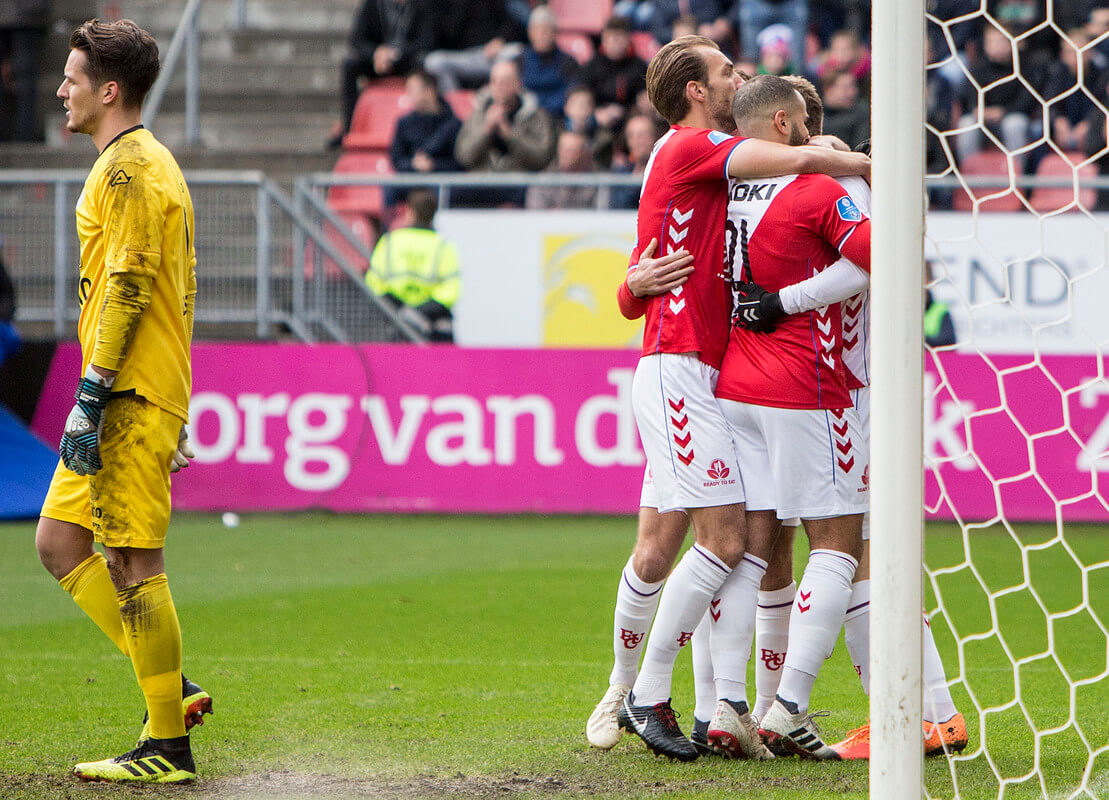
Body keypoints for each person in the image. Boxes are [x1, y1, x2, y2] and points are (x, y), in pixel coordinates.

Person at [584, 35, 870, 763]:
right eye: (723, 71)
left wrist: (629, 288)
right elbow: (800, 158)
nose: (736, 75)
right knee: (698, 543)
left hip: (720, 375)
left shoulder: (715, 166)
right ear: (695, 92)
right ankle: (634, 692)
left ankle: (722, 705)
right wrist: (858, 160)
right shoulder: (688, 147)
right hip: (678, 369)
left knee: (744, 544)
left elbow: (649, 256)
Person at [36, 18, 207, 783]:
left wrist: (94, 392)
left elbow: (133, 285)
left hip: (127, 392)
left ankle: (167, 747)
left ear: (109, 90)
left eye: (72, 77)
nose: (61, 89)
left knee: (133, 558)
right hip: (139, 386)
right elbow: (179, 290)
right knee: (59, 542)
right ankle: (171, 685)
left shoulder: (130, 170)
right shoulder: (139, 163)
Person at [713, 74, 872, 760]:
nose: (813, 132)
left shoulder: (722, 188)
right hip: (803, 382)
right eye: (805, 119)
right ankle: (788, 705)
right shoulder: (813, 186)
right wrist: (788, 300)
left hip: (733, 383)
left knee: (755, 547)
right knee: (838, 540)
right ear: (782, 124)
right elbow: (875, 260)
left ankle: (725, 702)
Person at [328, 0, 436, 149]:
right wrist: (376, 53)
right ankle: (349, 126)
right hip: (378, 62)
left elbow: (427, 41)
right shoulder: (373, 5)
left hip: (407, 61)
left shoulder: (422, 6)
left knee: (430, 64)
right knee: (350, 65)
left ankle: (431, 125)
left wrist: (396, 55)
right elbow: (356, 40)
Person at [454, 59, 556, 206]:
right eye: (495, 81)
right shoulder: (477, 115)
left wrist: (510, 135)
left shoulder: (537, 116)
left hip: (520, 185)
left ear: (518, 84)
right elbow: (464, 156)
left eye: (506, 81)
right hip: (481, 184)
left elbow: (541, 158)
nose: (499, 87)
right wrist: (486, 129)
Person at [365, 189, 459, 342]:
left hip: (394, 316)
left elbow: (373, 281)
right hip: (431, 320)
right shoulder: (442, 246)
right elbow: (450, 291)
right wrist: (421, 311)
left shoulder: (390, 241)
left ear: (409, 211)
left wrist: (403, 310)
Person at [389, 68, 462, 205]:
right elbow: (397, 160)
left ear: (429, 91)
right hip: (412, 180)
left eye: (412, 90)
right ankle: (388, 226)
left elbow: (459, 163)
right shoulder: (404, 123)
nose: (408, 95)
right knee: (390, 188)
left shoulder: (453, 124)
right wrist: (414, 165)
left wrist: (434, 166)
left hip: (442, 181)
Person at [424, 0, 525, 93]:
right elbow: (444, 35)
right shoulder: (446, 4)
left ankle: (507, 96)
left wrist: (499, 40)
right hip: (463, 58)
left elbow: (509, 23)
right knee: (434, 62)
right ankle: (456, 100)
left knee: (516, 51)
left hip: (489, 55)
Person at [579, 16, 648, 135]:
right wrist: (596, 113)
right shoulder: (593, 65)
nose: (615, 42)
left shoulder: (639, 66)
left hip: (630, 119)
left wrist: (628, 112)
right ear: (603, 40)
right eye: (611, 38)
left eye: (619, 37)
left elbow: (643, 98)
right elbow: (583, 94)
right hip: (598, 118)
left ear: (628, 39)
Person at [514, 6, 579, 119]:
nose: (542, 35)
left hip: (557, 117)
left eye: (547, 30)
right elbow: (515, 92)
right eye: (538, 30)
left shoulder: (568, 62)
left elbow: (571, 94)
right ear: (530, 33)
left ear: (555, 33)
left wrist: (539, 105)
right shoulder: (519, 60)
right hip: (524, 119)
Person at [0, 0, 49, 141]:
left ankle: (21, 133)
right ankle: (24, 134)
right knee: (26, 78)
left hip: (26, 14)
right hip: (29, 13)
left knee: (25, 77)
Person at [525, 130, 598, 210]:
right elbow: (535, 213)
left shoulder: (597, 181)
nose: (565, 154)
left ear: (584, 154)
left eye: (572, 150)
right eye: (562, 148)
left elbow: (603, 215)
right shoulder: (543, 181)